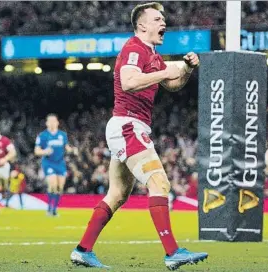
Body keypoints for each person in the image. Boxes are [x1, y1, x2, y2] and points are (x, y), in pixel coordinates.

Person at [70, 3, 208, 270]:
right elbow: (129, 82)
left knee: (118, 194)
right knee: (160, 184)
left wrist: (187, 69)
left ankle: (82, 250)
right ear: (142, 25)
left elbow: (173, 85)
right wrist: (166, 71)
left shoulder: (153, 55)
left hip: (132, 127)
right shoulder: (134, 48)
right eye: (157, 19)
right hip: (128, 126)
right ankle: (172, 252)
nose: (163, 22)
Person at [35, 114, 77, 216]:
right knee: (52, 185)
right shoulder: (42, 136)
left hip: (60, 163)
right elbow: (37, 151)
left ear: (57, 122)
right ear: (47, 123)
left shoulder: (62, 135)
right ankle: (50, 209)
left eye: (54, 121)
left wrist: (73, 150)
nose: (52, 123)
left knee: (60, 187)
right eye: (50, 121)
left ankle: (54, 209)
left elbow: (66, 147)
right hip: (48, 163)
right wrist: (45, 152)